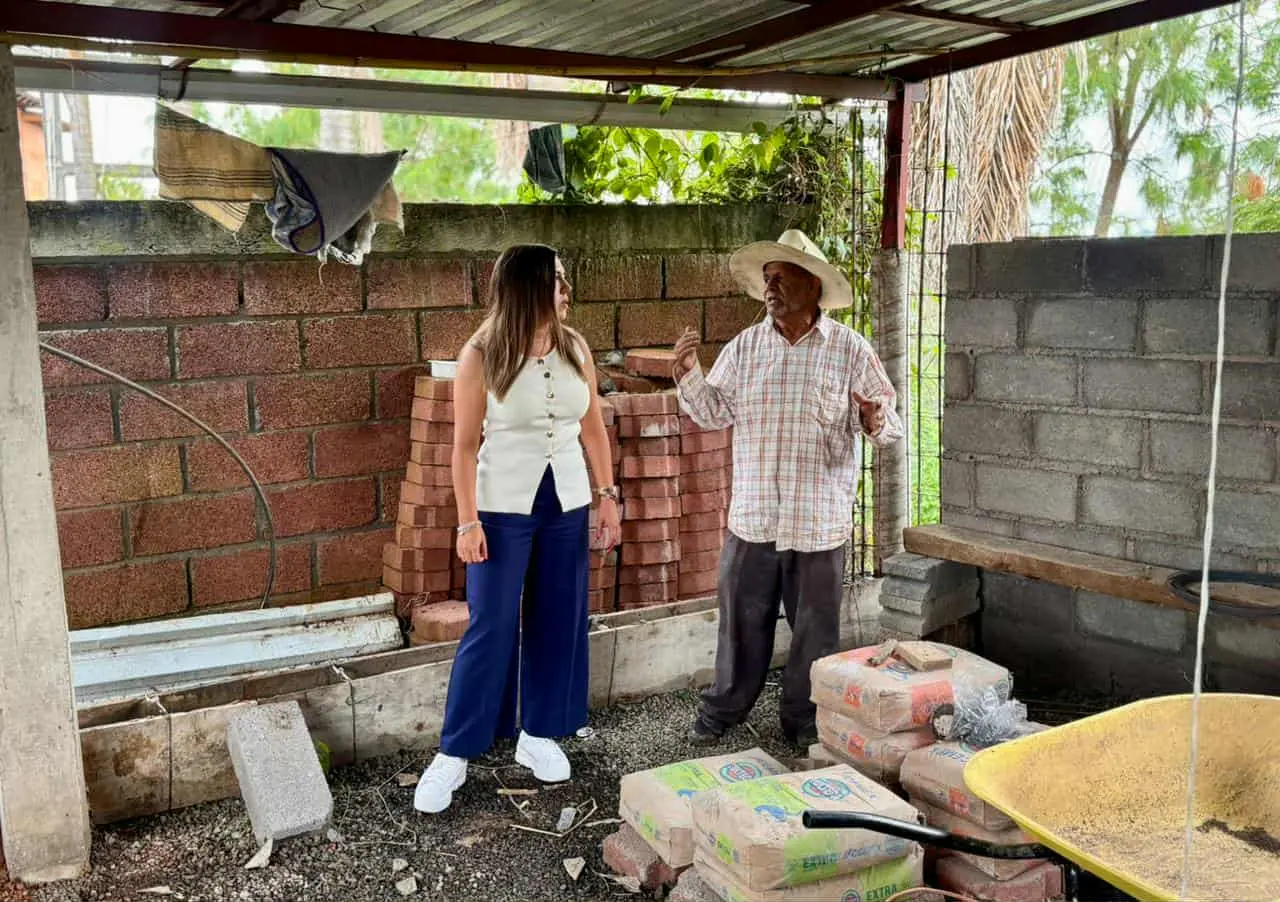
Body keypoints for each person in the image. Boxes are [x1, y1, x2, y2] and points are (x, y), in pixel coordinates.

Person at [672, 229, 903, 748]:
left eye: (782, 277)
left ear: (814, 287)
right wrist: (690, 374)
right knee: (740, 624)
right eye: (767, 278)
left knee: (815, 635)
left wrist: (873, 418)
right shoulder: (746, 347)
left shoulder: (849, 350)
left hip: (817, 522)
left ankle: (802, 721)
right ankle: (723, 710)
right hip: (754, 516)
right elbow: (714, 412)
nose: (770, 286)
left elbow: (892, 428)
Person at [414, 244, 622, 814]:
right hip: (502, 504)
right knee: (493, 623)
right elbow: (460, 449)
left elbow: (594, 430)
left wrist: (607, 498)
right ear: (526, 287)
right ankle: (455, 751)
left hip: (568, 500)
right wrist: (466, 521)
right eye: (555, 278)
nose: (565, 286)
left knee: (560, 617)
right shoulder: (481, 355)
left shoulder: (576, 347)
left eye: (564, 276)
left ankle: (539, 733)